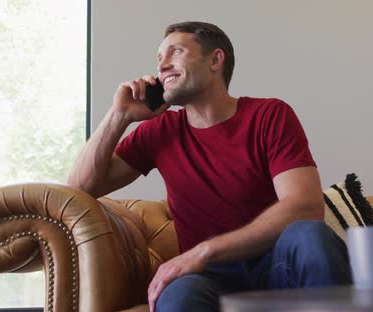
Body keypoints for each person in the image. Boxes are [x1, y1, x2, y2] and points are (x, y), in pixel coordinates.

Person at [67, 21, 351, 312]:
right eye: (159, 58)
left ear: (215, 60)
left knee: (309, 236)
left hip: (274, 263)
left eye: (175, 53)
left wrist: (204, 251)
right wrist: (119, 115)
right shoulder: (160, 130)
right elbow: (78, 190)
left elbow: (305, 207)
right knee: (179, 297)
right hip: (208, 278)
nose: (162, 66)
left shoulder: (269, 115)